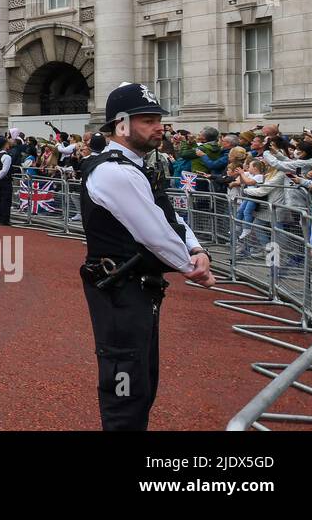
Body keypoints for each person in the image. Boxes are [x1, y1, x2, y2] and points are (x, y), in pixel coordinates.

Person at [79, 83, 215, 431]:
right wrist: (191, 267)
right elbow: (153, 231)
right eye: (148, 120)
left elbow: (170, 216)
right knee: (125, 387)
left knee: (141, 382)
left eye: (159, 119)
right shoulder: (114, 170)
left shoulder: (135, 166)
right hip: (120, 291)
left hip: (136, 289)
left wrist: (196, 249)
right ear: (121, 125)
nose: (160, 127)